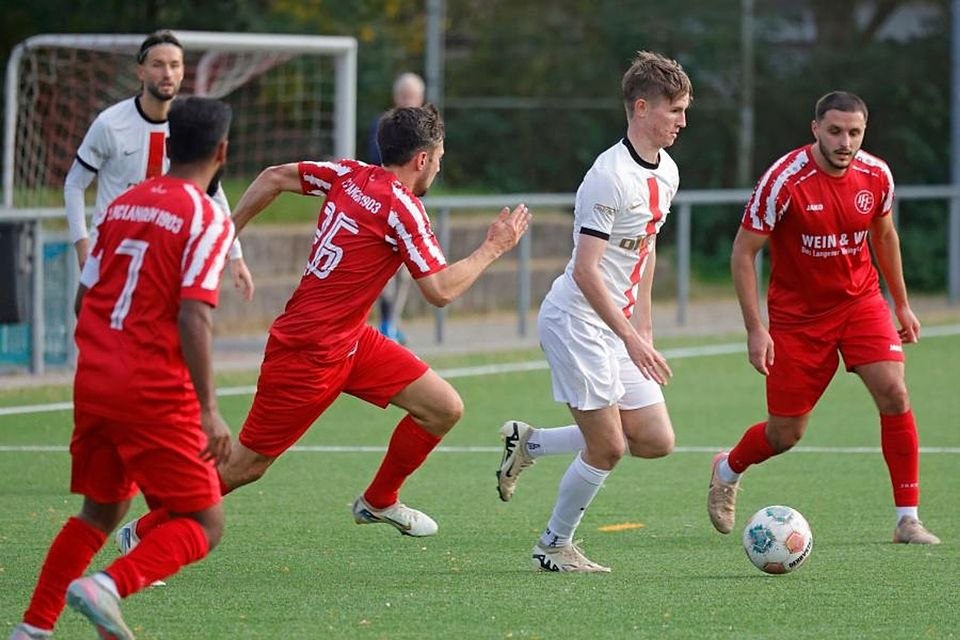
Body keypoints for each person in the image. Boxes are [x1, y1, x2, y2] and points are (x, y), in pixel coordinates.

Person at [114, 104, 530, 552]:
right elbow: (440, 290)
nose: (439, 167)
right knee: (244, 466)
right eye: (440, 158)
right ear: (422, 160)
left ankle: (378, 500)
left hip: (349, 340)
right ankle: (139, 534)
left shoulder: (348, 175)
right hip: (307, 351)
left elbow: (274, 175)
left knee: (443, 407)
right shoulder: (403, 209)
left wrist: (227, 231)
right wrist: (494, 247)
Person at [10, 96, 236, 640]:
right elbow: (193, 315)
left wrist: (100, 360)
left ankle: (33, 630)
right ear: (222, 153)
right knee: (204, 522)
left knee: (102, 509)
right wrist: (208, 408)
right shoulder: (207, 216)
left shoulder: (124, 204)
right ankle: (108, 586)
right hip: (152, 386)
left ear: (167, 145)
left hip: (94, 379)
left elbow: (85, 295)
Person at [707, 91, 940, 545]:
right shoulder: (784, 181)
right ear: (815, 128)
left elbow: (885, 236)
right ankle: (728, 466)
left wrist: (902, 303)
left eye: (854, 132)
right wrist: (757, 329)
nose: (845, 142)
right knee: (785, 434)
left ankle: (907, 519)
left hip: (861, 303)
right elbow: (743, 251)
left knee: (894, 391)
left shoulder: (877, 175)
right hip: (797, 320)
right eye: (835, 131)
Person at [496, 51, 690, 572]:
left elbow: (644, 251)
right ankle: (552, 547)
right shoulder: (607, 176)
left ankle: (531, 444)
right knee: (608, 447)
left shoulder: (667, 171)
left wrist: (643, 329)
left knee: (654, 439)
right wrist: (629, 336)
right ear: (642, 107)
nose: (682, 121)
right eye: (674, 110)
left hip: (619, 326)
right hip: (579, 322)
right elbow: (586, 270)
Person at [64, 29, 254, 300]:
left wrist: (235, 254)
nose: (167, 73)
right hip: (112, 253)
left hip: (166, 255)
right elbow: (74, 184)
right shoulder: (110, 123)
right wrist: (82, 244)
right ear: (141, 72)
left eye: (174, 65)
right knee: (103, 331)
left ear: (182, 71)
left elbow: (214, 192)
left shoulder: (189, 125)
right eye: (158, 64)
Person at [367, 72, 426, 343]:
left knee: (406, 272)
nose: (408, 101)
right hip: (384, 209)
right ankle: (384, 324)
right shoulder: (384, 126)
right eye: (404, 96)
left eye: (412, 96)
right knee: (383, 270)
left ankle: (393, 322)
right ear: (396, 98)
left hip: (411, 211)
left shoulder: (427, 130)